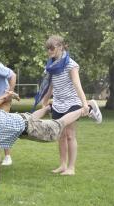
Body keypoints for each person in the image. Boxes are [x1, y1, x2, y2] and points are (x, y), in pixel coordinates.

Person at [0, 99, 102, 186]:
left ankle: (87, 108)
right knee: (31, 117)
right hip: (21, 120)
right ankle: (50, 106)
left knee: (57, 127)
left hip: (27, 127)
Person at [40, 35, 90, 175]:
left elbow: (77, 84)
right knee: (60, 135)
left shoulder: (71, 64)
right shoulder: (50, 65)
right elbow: (50, 86)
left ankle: (71, 168)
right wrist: (44, 102)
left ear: (61, 47)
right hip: (58, 103)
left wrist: (84, 104)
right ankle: (62, 165)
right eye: (47, 48)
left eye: (52, 48)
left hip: (72, 103)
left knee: (70, 135)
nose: (49, 51)